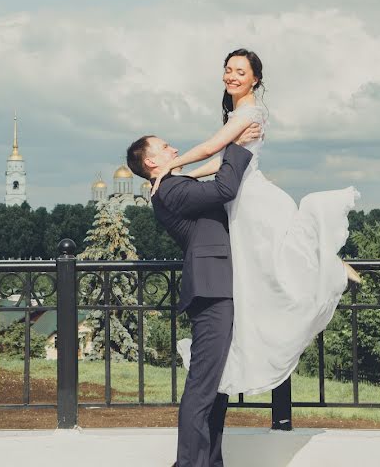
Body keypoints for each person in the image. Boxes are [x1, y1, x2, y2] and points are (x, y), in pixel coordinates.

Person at [149, 48, 361, 397]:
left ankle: (333, 267)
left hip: (255, 200)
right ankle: (328, 266)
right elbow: (220, 162)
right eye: (228, 70)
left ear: (255, 79)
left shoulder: (250, 111)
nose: (231, 76)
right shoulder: (237, 112)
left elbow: (211, 147)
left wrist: (170, 169)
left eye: (240, 72)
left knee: (275, 268)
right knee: (263, 277)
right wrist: (182, 176)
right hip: (241, 204)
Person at [126, 124, 259, 467]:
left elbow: (216, 171)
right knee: (203, 388)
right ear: (152, 163)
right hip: (212, 292)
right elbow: (226, 188)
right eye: (166, 147)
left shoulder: (173, 185)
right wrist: (238, 146)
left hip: (220, 287)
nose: (174, 149)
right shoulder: (170, 189)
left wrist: (235, 145)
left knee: (216, 389)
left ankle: (210, 461)